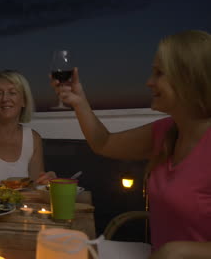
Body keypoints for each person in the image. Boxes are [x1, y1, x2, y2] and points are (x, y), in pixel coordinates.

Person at [51, 30, 211, 258]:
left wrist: (179, 250)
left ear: (190, 79)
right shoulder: (165, 131)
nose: (149, 82)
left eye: (159, 73)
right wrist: (79, 101)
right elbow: (104, 143)